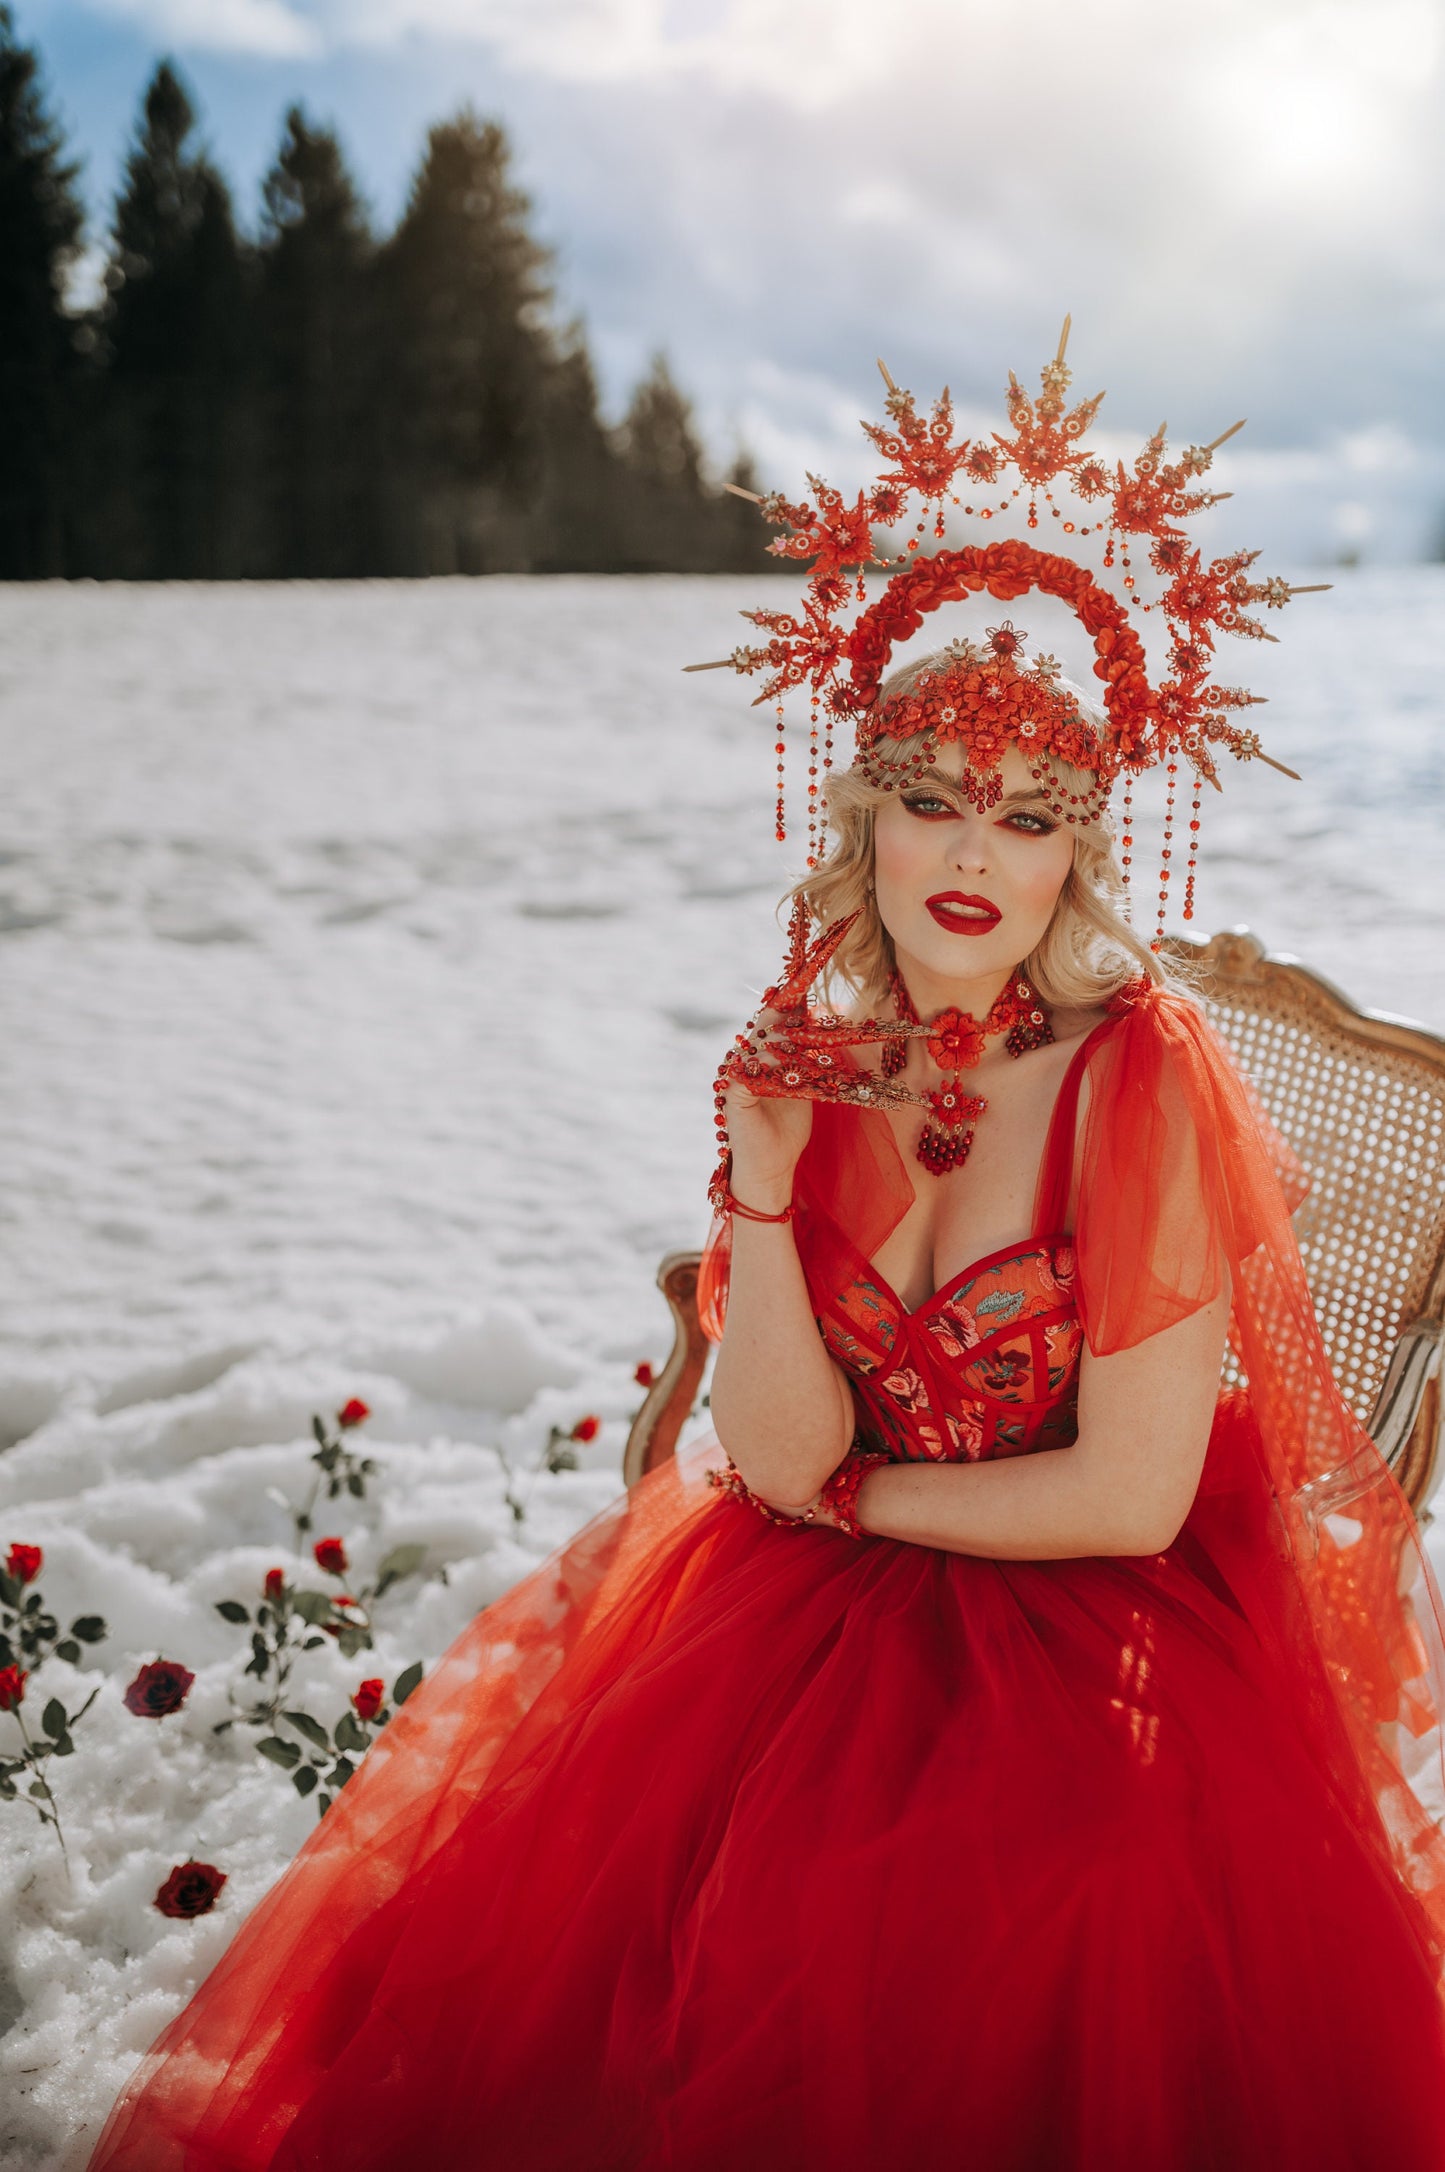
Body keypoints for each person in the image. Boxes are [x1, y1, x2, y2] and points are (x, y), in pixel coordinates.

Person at [88, 336, 1445, 2171]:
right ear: (860, 819)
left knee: (1014, 1916)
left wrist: (859, 1506)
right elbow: (778, 1446)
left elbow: (1122, 1496)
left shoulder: (1132, 1077)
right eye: (933, 799)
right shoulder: (806, 1058)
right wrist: (756, 1182)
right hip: (809, 1585)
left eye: (1028, 816)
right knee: (643, 1891)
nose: (975, 849)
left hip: (1084, 1596)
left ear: (1079, 857)